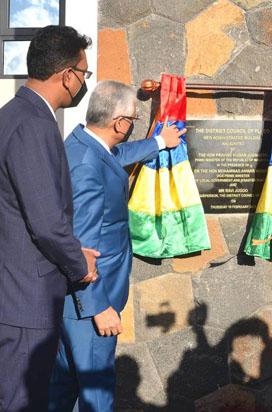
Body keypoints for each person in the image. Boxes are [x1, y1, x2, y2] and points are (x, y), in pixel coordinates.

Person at [0, 26, 99, 411]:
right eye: (84, 73)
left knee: (8, 402)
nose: (83, 83)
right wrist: (79, 264)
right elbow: (46, 222)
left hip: (2, 295)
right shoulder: (33, 124)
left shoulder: (10, 115)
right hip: (20, 301)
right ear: (67, 75)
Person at [47, 80, 186, 412]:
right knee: (96, 396)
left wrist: (159, 141)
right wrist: (98, 306)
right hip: (89, 305)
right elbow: (81, 247)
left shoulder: (83, 145)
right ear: (120, 123)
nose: (133, 124)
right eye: (133, 119)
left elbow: (115, 156)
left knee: (62, 390)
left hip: (70, 305)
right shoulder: (87, 165)